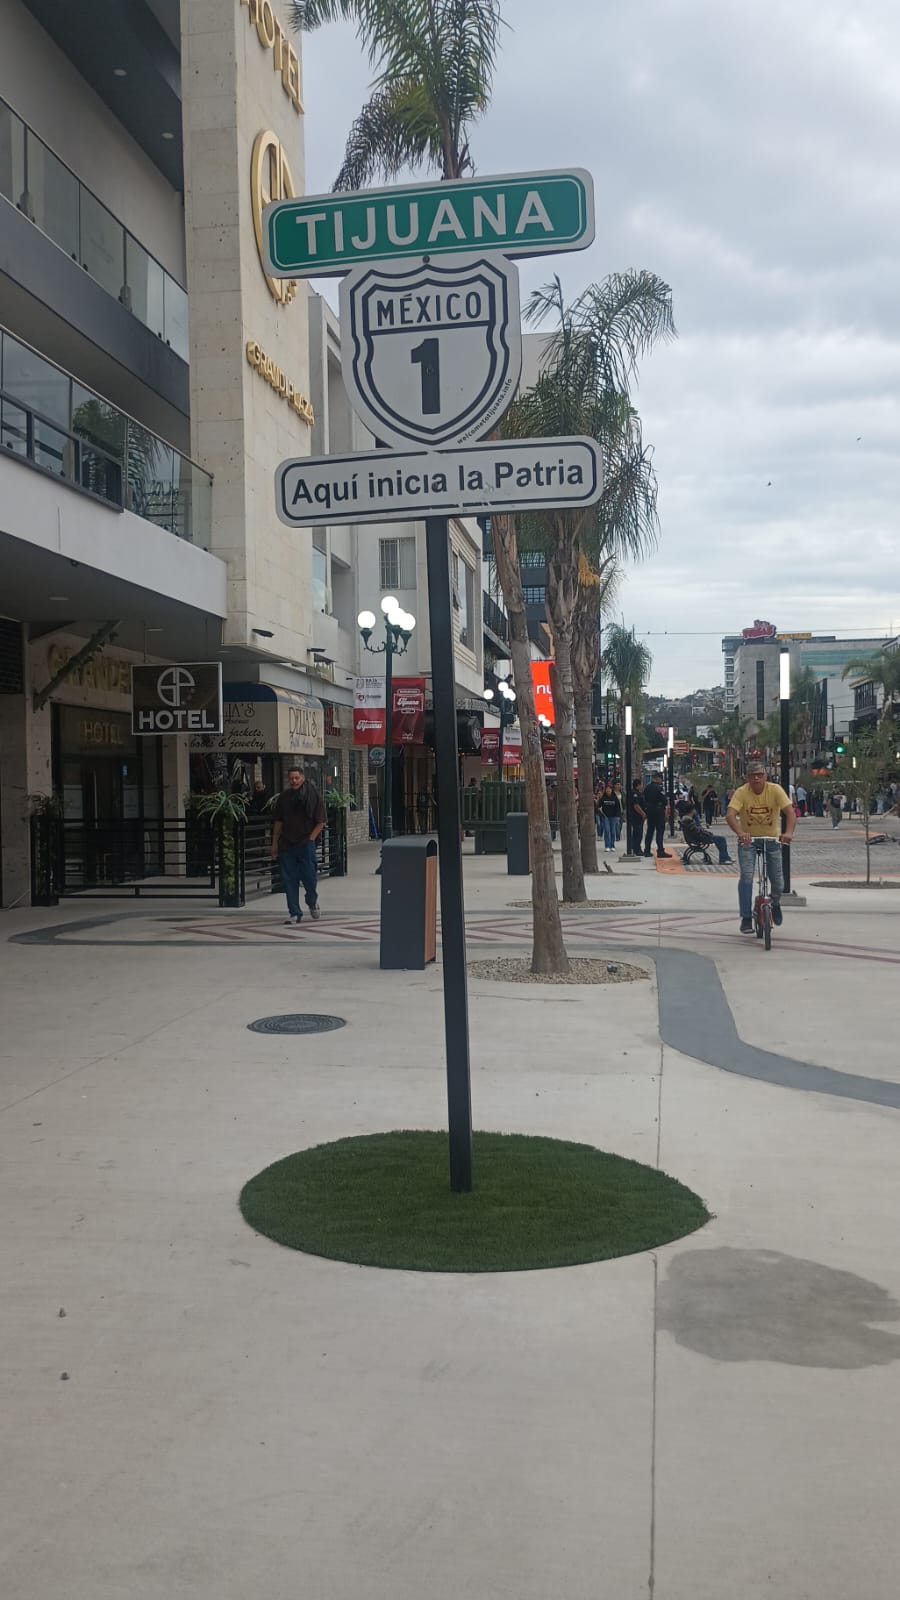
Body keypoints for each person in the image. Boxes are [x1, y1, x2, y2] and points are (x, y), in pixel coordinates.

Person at [726, 761, 794, 934]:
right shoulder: (742, 792)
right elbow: (731, 815)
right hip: (748, 841)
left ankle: (775, 903)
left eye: (760, 775)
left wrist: (788, 833)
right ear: (747, 778)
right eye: (752, 776)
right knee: (747, 877)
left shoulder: (775, 790)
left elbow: (790, 812)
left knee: (778, 881)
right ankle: (746, 917)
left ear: (765, 776)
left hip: (771, 840)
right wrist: (741, 833)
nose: (756, 779)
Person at [270, 766, 326, 926]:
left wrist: (311, 839)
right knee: (289, 879)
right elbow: (278, 822)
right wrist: (274, 843)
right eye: (291, 778)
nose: (293, 781)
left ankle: (312, 901)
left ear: (302, 777)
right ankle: (294, 912)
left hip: (305, 843)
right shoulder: (284, 798)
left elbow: (321, 821)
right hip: (287, 844)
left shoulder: (313, 796)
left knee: (310, 878)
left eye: (296, 778)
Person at [642, 772, 671, 858]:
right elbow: (664, 800)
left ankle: (647, 850)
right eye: (661, 779)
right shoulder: (659, 788)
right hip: (658, 811)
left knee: (650, 831)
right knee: (660, 831)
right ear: (658, 778)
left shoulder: (647, 788)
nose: (661, 781)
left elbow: (644, 799)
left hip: (649, 811)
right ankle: (660, 851)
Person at [599, 781, 622, 852]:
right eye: (607, 789)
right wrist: (600, 811)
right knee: (607, 830)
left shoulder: (615, 798)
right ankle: (607, 846)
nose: (608, 791)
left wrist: (618, 816)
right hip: (605, 817)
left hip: (613, 817)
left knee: (613, 831)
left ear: (611, 790)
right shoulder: (603, 798)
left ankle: (612, 845)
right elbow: (599, 806)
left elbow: (618, 807)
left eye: (609, 789)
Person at [630, 779, 646, 856]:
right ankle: (637, 849)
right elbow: (636, 806)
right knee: (638, 833)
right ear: (638, 785)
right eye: (641, 785)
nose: (642, 786)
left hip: (638, 817)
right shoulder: (635, 794)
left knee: (638, 833)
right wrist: (643, 814)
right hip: (636, 816)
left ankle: (636, 848)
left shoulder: (639, 793)